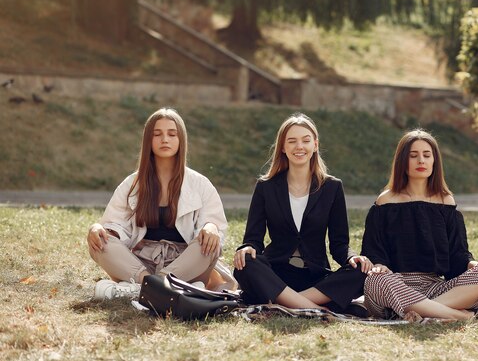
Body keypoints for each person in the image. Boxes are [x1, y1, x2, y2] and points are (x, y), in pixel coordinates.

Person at [87, 108, 236, 300]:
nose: (165, 139)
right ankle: (165, 288)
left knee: (209, 244)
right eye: (157, 134)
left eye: (172, 134)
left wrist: (210, 227)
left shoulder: (200, 184)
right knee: (99, 242)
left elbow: (215, 226)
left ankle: (142, 290)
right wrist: (96, 228)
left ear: (181, 139)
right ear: (148, 140)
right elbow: (113, 226)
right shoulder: (132, 183)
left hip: (186, 265)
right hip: (142, 264)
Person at [361, 129, 478, 321]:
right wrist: (378, 265)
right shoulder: (386, 201)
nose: (421, 160)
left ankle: (423, 312)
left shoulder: (445, 201)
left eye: (426, 155)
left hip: (436, 288)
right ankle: (462, 316)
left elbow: (458, 254)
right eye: (413, 156)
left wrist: (474, 264)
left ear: (434, 161)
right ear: (402, 161)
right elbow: (373, 250)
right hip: (395, 284)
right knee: (375, 281)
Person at [233, 113, 371, 312]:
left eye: (306, 141)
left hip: (314, 278)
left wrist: (352, 258)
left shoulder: (332, 187)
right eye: (292, 141)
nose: (299, 147)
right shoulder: (266, 187)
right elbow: (253, 240)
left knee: (363, 271)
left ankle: (288, 303)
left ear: (315, 145)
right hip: (276, 273)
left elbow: (339, 245)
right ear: (283, 147)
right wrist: (246, 248)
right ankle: (316, 309)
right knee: (245, 261)